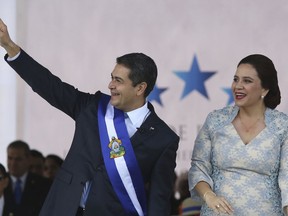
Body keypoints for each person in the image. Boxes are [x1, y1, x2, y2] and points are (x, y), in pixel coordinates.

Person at [0, 18, 179, 216]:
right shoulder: (94, 107)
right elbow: (50, 86)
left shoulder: (164, 139)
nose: (110, 85)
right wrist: (9, 45)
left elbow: (158, 201)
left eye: (118, 81)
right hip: (62, 209)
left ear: (140, 88)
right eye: (111, 77)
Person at [188, 54, 288, 215]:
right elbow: (198, 168)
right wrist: (209, 196)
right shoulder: (215, 120)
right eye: (236, 79)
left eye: (247, 81)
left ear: (264, 89)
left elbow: (287, 177)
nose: (237, 86)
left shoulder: (283, 126)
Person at [3, 140, 52, 216]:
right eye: (10, 158)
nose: (13, 163)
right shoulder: (1, 181)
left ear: (28, 159)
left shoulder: (44, 184)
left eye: (18, 159)